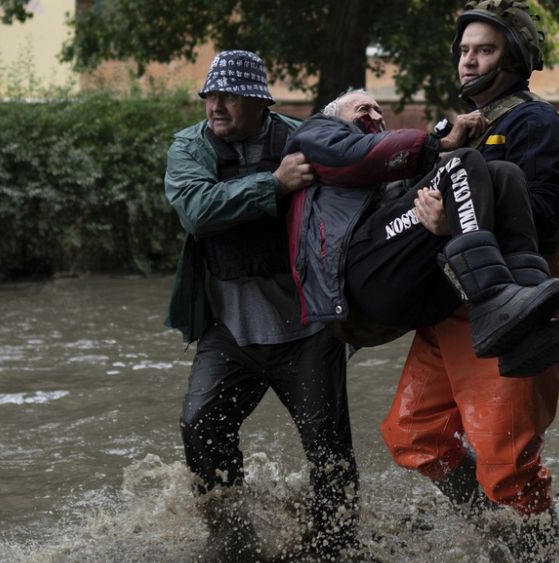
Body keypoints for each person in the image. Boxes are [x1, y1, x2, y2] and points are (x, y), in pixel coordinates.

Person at [379, 0, 559, 558]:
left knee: (508, 468)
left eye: (486, 50)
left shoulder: (536, 123)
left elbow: (545, 213)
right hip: (450, 299)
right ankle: (491, 530)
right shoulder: (458, 130)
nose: (469, 61)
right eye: (465, 51)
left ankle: (540, 546)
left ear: (515, 57)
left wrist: (458, 221)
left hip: (518, 300)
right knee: (412, 436)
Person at [162, 50, 358, 560]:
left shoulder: (302, 139)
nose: (216, 105)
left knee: (329, 450)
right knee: (199, 423)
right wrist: (273, 185)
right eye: (210, 94)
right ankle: (231, 535)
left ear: (259, 103)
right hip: (230, 331)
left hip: (308, 331)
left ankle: (337, 543)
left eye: (228, 96)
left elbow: (364, 178)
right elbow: (197, 211)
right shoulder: (190, 147)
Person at [284, 89, 559, 375]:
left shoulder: (381, 178)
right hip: (358, 283)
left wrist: (446, 214)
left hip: (407, 288)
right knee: (463, 162)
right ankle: (490, 304)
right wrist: (438, 144)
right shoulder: (315, 134)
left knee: (503, 173)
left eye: (380, 110)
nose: (376, 115)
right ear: (332, 117)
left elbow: (401, 199)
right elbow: (352, 154)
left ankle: (531, 324)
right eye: (364, 109)